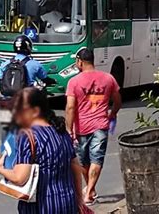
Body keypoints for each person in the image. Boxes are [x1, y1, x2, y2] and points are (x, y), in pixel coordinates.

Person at [0, 87, 86, 213]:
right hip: (67, 202)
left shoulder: (28, 136)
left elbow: (20, 177)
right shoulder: (60, 131)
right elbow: (75, 167)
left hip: (42, 206)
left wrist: (0, 169)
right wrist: (79, 200)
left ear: (35, 111)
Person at [65, 49, 122, 206]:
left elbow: (70, 108)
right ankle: (91, 189)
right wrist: (112, 114)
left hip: (81, 128)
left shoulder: (73, 82)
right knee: (95, 159)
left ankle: (88, 193)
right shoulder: (108, 78)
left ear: (79, 62)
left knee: (84, 160)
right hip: (101, 126)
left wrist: (69, 130)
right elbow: (118, 101)